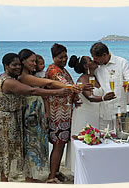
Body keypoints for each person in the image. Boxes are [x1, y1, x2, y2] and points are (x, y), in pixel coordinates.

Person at [0, 53, 70, 182]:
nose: (17, 67)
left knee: (16, 150)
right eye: (14, 65)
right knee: (7, 152)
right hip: (6, 121)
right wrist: (57, 92)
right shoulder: (8, 81)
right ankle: (4, 181)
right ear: (6, 66)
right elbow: (32, 91)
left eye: (19, 64)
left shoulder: (10, 77)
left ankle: (22, 179)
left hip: (15, 117)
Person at [18, 48, 80, 183]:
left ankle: (52, 173)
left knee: (45, 144)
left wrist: (70, 90)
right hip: (36, 114)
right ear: (23, 62)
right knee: (37, 145)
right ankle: (44, 177)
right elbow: (48, 84)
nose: (35, 64)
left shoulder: (38, 74)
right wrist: (68, 88)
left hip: (43, 112)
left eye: (36, 61)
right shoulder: (25, 77)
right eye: (32, 61)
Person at [65, 55, 116, 176]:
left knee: (93, 141)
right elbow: (90, 97)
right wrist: (104, 97)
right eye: (91, 60)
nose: (94, 61)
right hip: (84, 114)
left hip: (95, 114)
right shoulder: (82, 79)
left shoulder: (95, 76)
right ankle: (79, 172)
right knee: (83, 141)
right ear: (86, 66)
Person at [45, 43, 82, 183]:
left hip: (65, 112)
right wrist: (75, 88)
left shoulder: (63, 69)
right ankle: (51, 176)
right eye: (60, 57)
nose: (63, 59)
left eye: (65, 56)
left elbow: (70, 89)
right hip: (57, 113)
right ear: (53, 57)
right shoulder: (53, 70)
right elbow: (65, 84)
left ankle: (56, 171)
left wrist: (75, 98)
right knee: (58, 144)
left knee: (61, 143)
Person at [90, 42, 129, 129]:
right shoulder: (95, 67)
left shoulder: (121, 62)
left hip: (121, 111)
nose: (94, 60)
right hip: (104, 112)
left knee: (124, 139)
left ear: (104, 55)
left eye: (96, 58)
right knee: (104, 139)